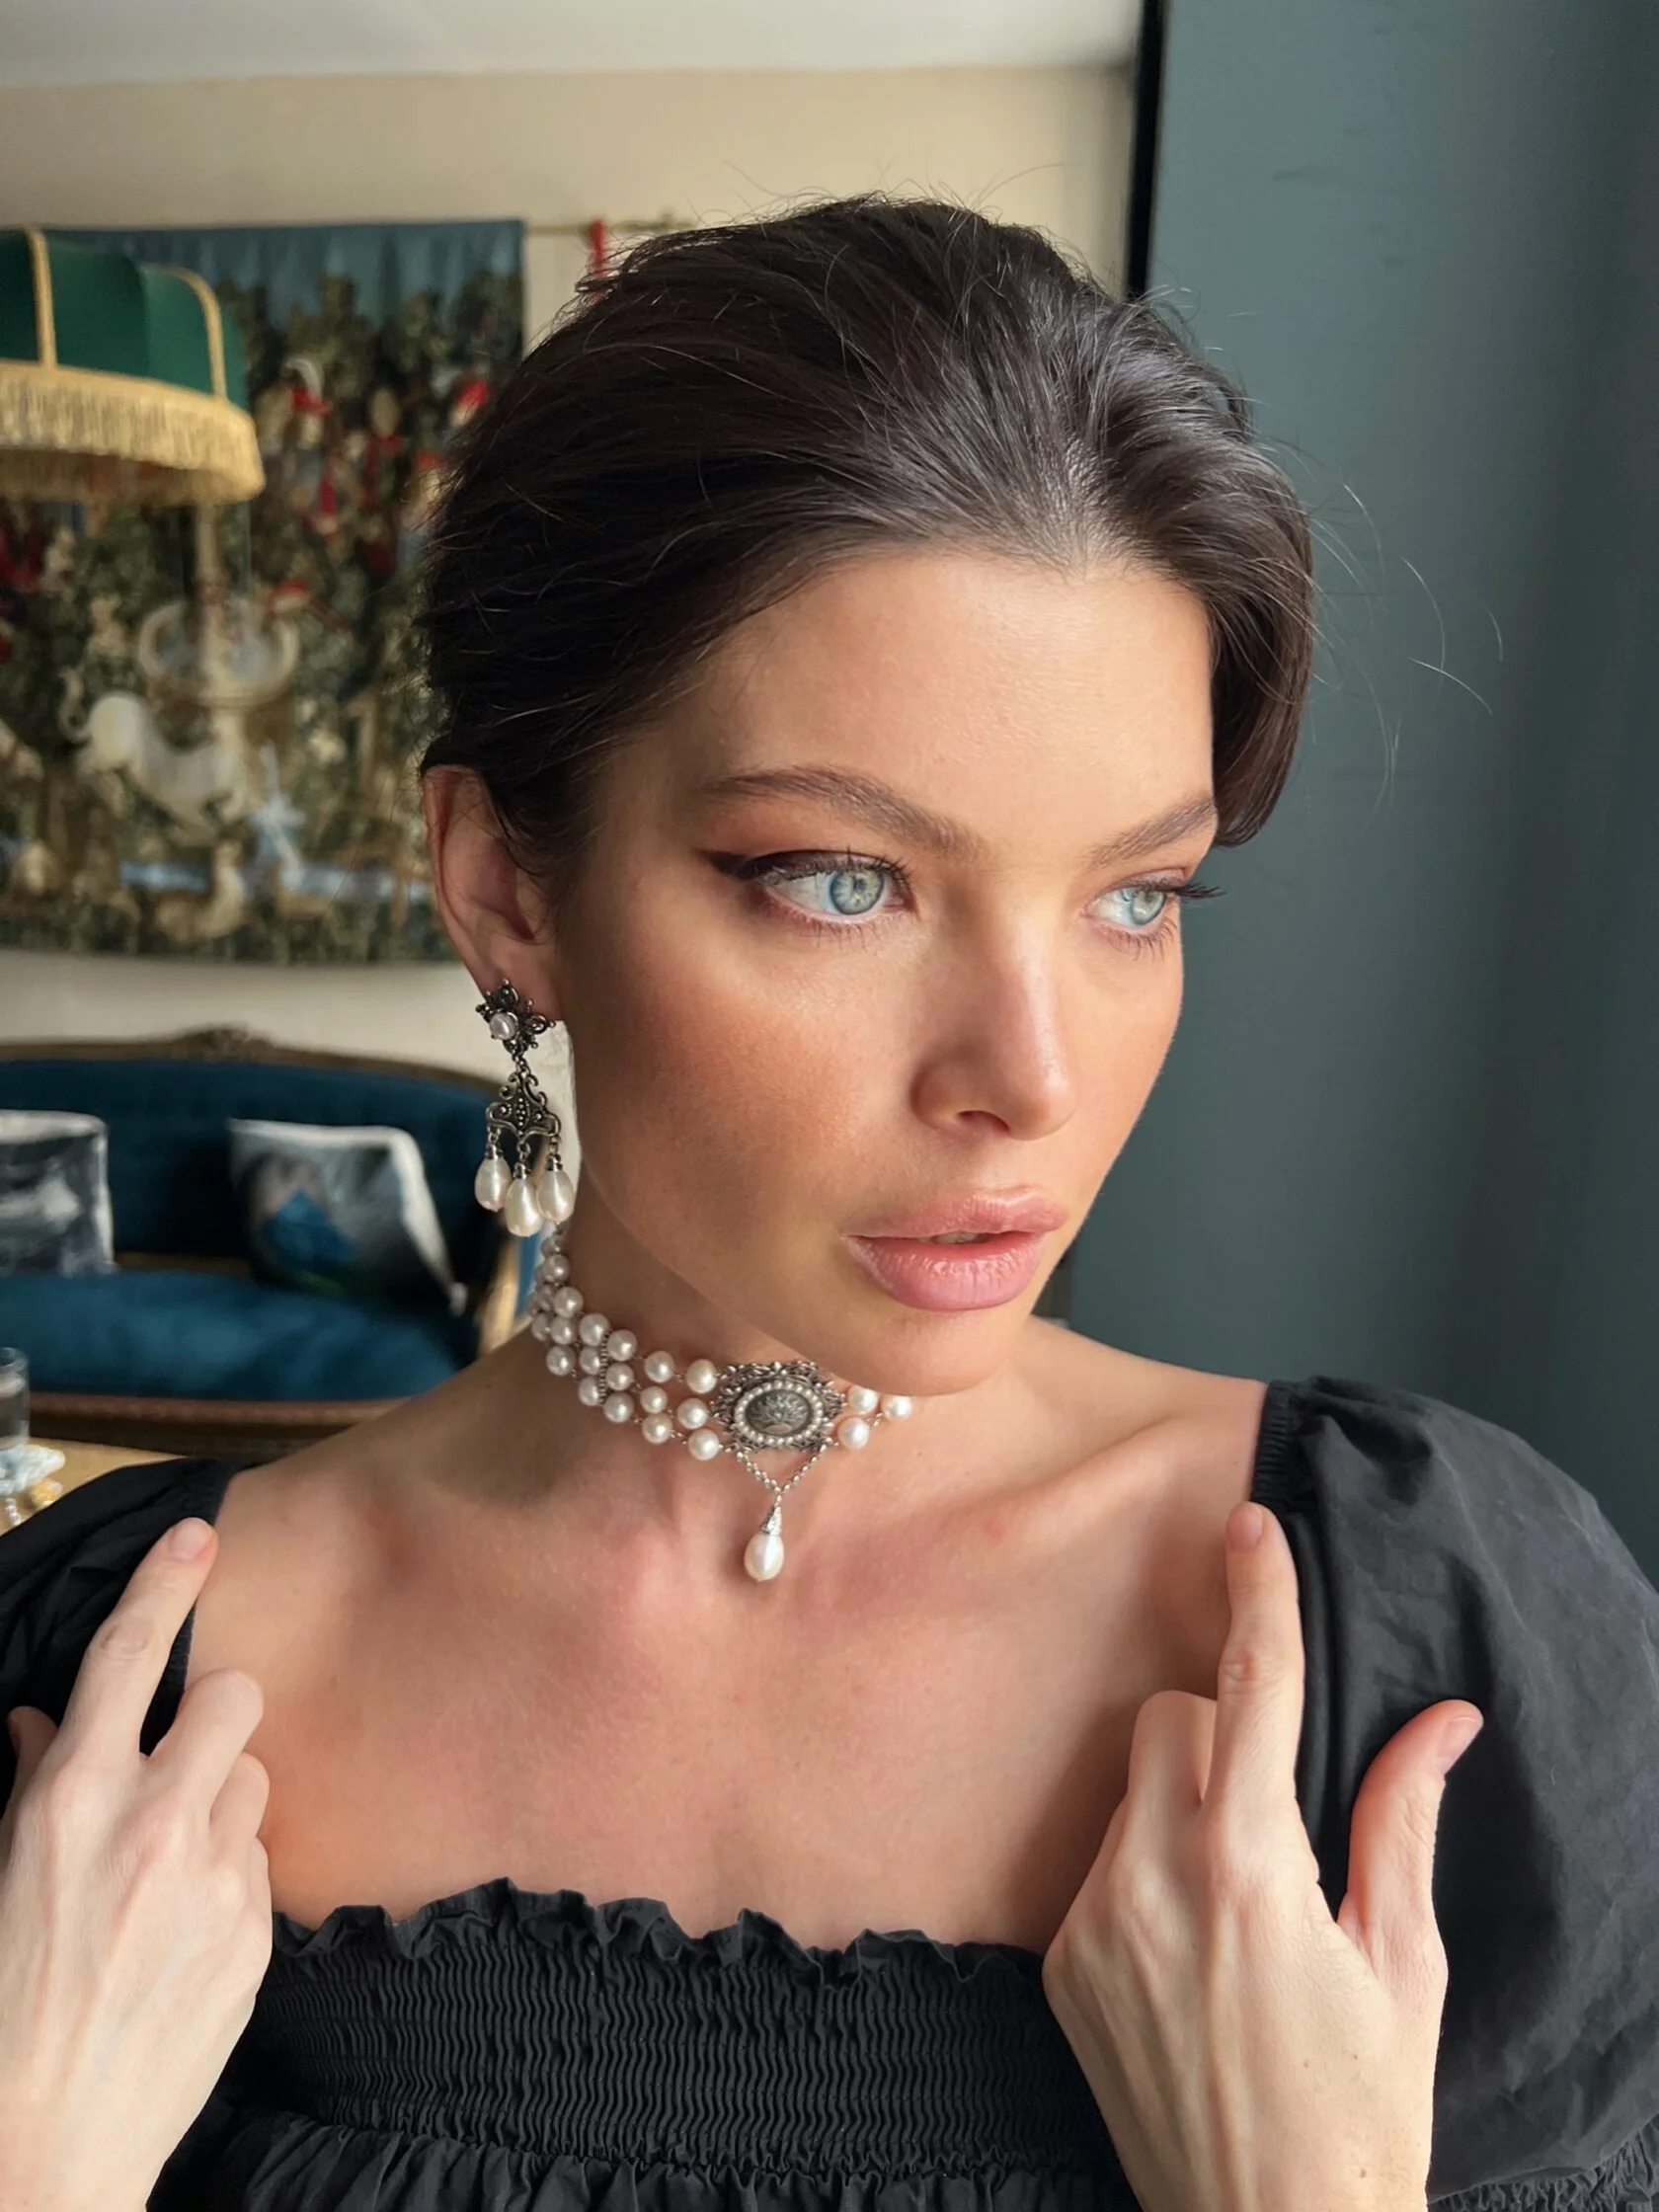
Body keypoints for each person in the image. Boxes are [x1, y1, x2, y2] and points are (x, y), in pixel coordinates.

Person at [1, 196, 1656, 2212]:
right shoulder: (107, 1683)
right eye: (842, 881)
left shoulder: (1434, 1639)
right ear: (507, 886)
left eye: (1138, 895)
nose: (1032, 1078)